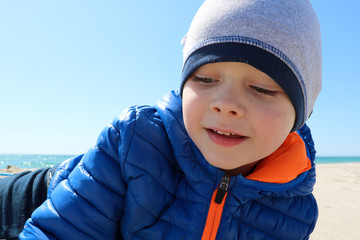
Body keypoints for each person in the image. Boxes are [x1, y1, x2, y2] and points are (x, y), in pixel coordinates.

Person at [5, 0, 322, 239]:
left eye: (262, 88)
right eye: (206, 80)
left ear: (302, 112)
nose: (225, 104)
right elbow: (57, 231)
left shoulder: (296, 206)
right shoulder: (135, 140)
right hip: (32, 197)